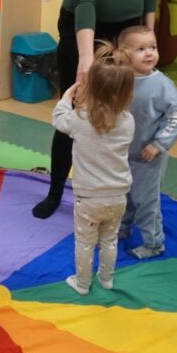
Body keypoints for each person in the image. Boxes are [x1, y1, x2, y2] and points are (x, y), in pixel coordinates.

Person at [33, 0, 162, 220]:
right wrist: (86, 57)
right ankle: (57, 189)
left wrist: (148, 34)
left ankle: (113, 188)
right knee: (76, 108)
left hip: (127, 29)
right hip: (84, 27)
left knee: (120, 111)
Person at [53, 42, 135, 296]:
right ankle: (107, 279)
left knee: (85, 243)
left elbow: (58, 120)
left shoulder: (80, 120)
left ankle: (82, 283)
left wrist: (68, 97)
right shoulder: (128, 121)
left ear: (91, 87)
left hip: (89, 198)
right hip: (118, 197)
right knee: (109, 240)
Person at [116, 25, 177, 259]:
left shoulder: (162, 85)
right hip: (123, 153)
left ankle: (154, 243)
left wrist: (159, 144)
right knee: (122, 195)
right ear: (124, 54)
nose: (149, 53)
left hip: (149, 157)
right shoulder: (121, 78)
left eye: (153, 47)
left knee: (146, 201)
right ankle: (122, 229)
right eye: (141, 49)